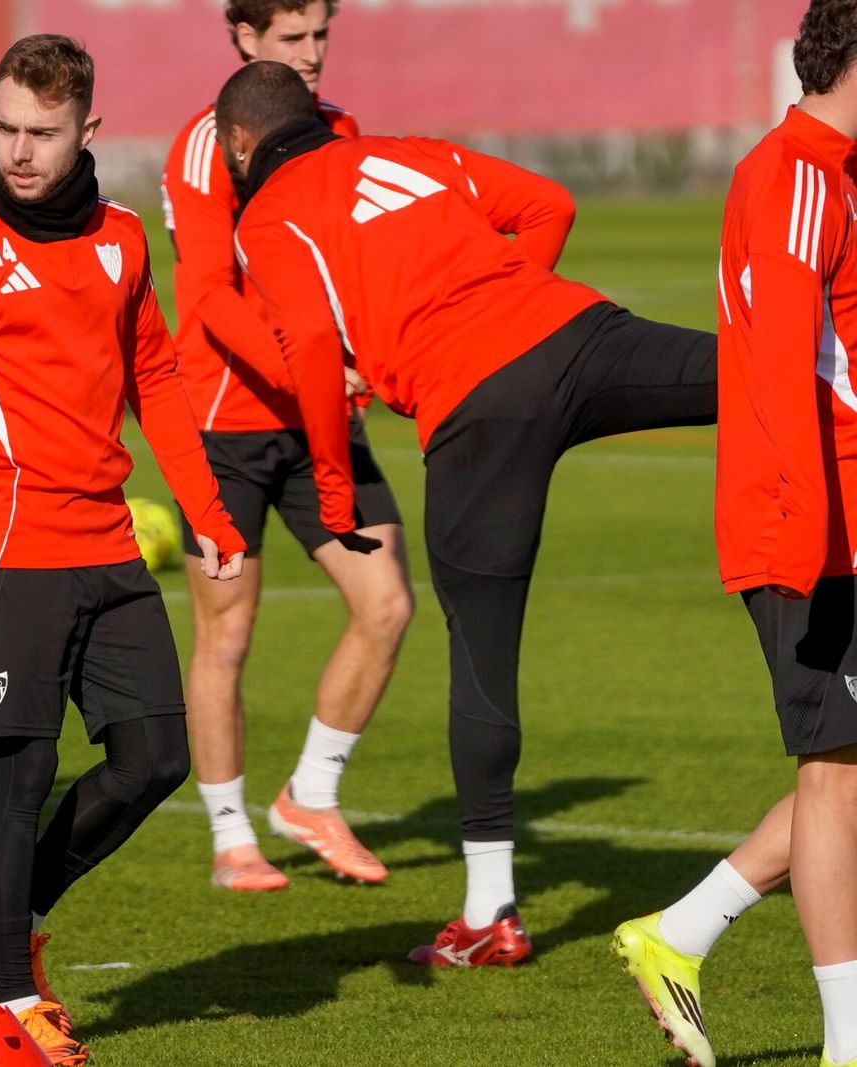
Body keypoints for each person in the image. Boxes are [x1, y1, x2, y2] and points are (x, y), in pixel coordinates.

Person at [218, 61, 717, 967]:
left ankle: (492, 911)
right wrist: (506, 306)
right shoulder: (399, 154)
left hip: (475, 409)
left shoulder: (265, 218)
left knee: (483, 658)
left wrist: (334, 487)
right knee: (768, 376)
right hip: (579, 335)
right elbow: (549, 205)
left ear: (241, 146)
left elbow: (312, 352)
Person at [0, 35, 245, 1064]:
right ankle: (12, 1001)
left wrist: (209, 511)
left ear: (88, 129)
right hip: (2, 543)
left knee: (155, 757)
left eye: (42, 133)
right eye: (4, 128)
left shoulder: (125, 238)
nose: (18, 150)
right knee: (22, 768)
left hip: (105, 537)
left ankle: (7, 900)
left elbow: (160, 383)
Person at [612, 5, 857, 1064]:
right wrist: (801, 536)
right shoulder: (797, 173)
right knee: (834, 777)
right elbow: (773, 372)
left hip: (840, 516)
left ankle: (679, 930)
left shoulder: (834, 172)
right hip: (812, 527)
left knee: (848, 773)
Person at [162, 0, 411, 892]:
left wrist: (369, 359)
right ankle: (231, 838)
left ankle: (310, 793)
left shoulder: (340, 131)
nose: (312, 55)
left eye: (321, 37)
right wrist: (308, 368)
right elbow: (207, 295)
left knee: (385, 604)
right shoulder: (209, 146)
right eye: (293, 39)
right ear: (244, 41)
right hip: (223, 424)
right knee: (227, 633)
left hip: (320, 426)